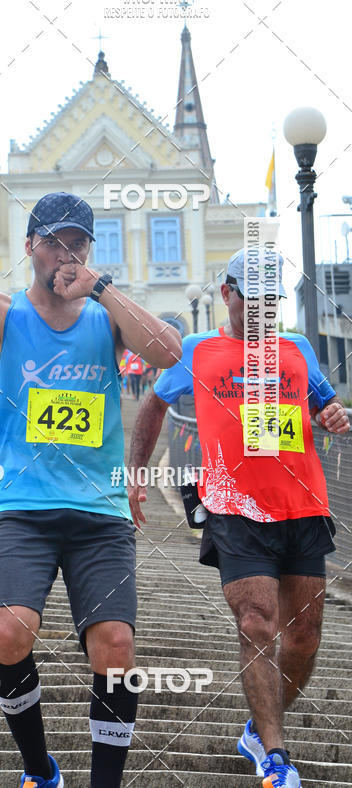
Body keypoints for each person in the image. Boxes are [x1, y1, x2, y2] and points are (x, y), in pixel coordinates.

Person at [0, 151, 182, 788]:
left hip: (99, 512)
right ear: (31, 248)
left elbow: (167, 350)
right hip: (23, 507)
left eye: (79, 245)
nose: (66, 256)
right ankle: (38, 767)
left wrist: (102, 287)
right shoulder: (0, 314)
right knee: (8, 633)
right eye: (54, 244)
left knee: (116, 647)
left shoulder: (108, 317)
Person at [128, 248, 349, 788]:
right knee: (257, 623)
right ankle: (275, 755)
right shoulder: (196, 351)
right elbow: (154, 405)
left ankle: (258, 727)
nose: (265, 311)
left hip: (302, 505)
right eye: (256, 300)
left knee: (304, 640)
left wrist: (334, 415)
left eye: (273, 300)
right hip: (234, 506)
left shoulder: (297, 349)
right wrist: (135, 472)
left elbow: (324, 405)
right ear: (228, 294)